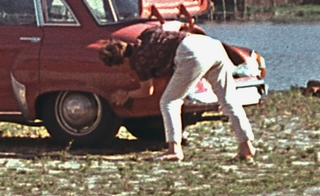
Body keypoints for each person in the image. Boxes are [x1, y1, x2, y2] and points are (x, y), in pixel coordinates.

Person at [99, 23, 256, 162]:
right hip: (210, 44)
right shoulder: (147, 33)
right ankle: (246, 146)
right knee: (228, 100)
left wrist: (126, 94)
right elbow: (174, 24)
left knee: (169, 102)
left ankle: (174, 150)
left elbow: (147, 90)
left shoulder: (139, 63)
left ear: (121, 61)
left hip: (191, 53)